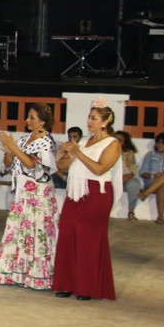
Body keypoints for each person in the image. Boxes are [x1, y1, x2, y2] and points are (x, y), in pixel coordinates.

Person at [53, 99, 121, 301]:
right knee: (67, 235)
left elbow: (99, 169)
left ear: (105, 121)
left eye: (94, 118)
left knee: (88, 240)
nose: (89, 121)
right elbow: (63, 166)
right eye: (89, 117)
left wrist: (77, 153)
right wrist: (64, 154)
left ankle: (87, 287)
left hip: (96, 194)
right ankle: (67, 284)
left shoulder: (112, 144)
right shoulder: (83, 141)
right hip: (76, 192)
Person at [0, 103, 59, 290]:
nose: (27, 120)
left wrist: (14, 147)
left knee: (37, 233)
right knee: (19, 232)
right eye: (28, 116)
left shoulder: (46, 141)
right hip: (23, 194)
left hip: (39, 195)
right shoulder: (23, 140)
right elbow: (7, 164)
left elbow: (31, 165)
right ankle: (15, 271)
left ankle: (38, 275)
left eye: (32, 118)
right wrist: (10, 151)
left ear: (43, 122)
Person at [114, 131, 140, 221]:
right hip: (110, 179)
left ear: (125, 142)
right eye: (115, 139)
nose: (117, 142)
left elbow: (132, 171)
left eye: (120, 140)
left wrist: (120, 180)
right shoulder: (106, 151)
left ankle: (131, 212)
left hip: (125, 179)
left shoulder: (128, 153)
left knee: (134, 184)